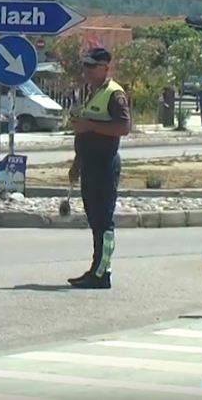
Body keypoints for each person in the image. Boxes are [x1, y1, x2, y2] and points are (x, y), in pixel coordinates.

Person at [67, 47, 131, 289]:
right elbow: (83, 130)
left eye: (92, 66)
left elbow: (124, 128)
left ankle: (103, 273)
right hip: (90, 164)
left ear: (105, 68)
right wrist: (77, 163)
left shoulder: (115, 94)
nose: (87, 70)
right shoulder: (91, 93)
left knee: (104, 220)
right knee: (94, 219)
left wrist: (90, 126)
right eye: (85, 65)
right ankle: (95, 268)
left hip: (105, 164)